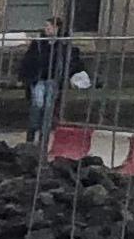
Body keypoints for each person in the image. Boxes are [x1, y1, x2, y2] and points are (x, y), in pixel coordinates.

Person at [14, 16, 83, 151]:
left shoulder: (63, 44)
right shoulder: (39, 43)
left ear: (57, 28)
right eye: (46, 27)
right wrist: (23, 77)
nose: (46, 29)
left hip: (53, 80)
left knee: (48, 108)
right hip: (39, 79)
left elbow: (72, 62)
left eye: (49, 27)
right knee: (38, 104)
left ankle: (43, 140)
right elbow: (28, 60)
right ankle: (32, 134)